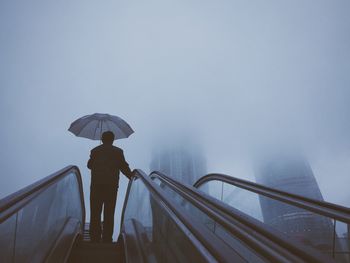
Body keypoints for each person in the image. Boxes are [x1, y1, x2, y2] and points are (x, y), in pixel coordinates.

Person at [87, 131, 133, 243]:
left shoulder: (95, 151)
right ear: (113, 140)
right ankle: (107, 238)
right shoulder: (118, 152)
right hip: (111, 187)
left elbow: (89, 166)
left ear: (102, 139)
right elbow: (124, 167)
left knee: (95, 212)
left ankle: (94, 237)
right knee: (109, 212)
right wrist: (132, 176)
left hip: (96, 186)